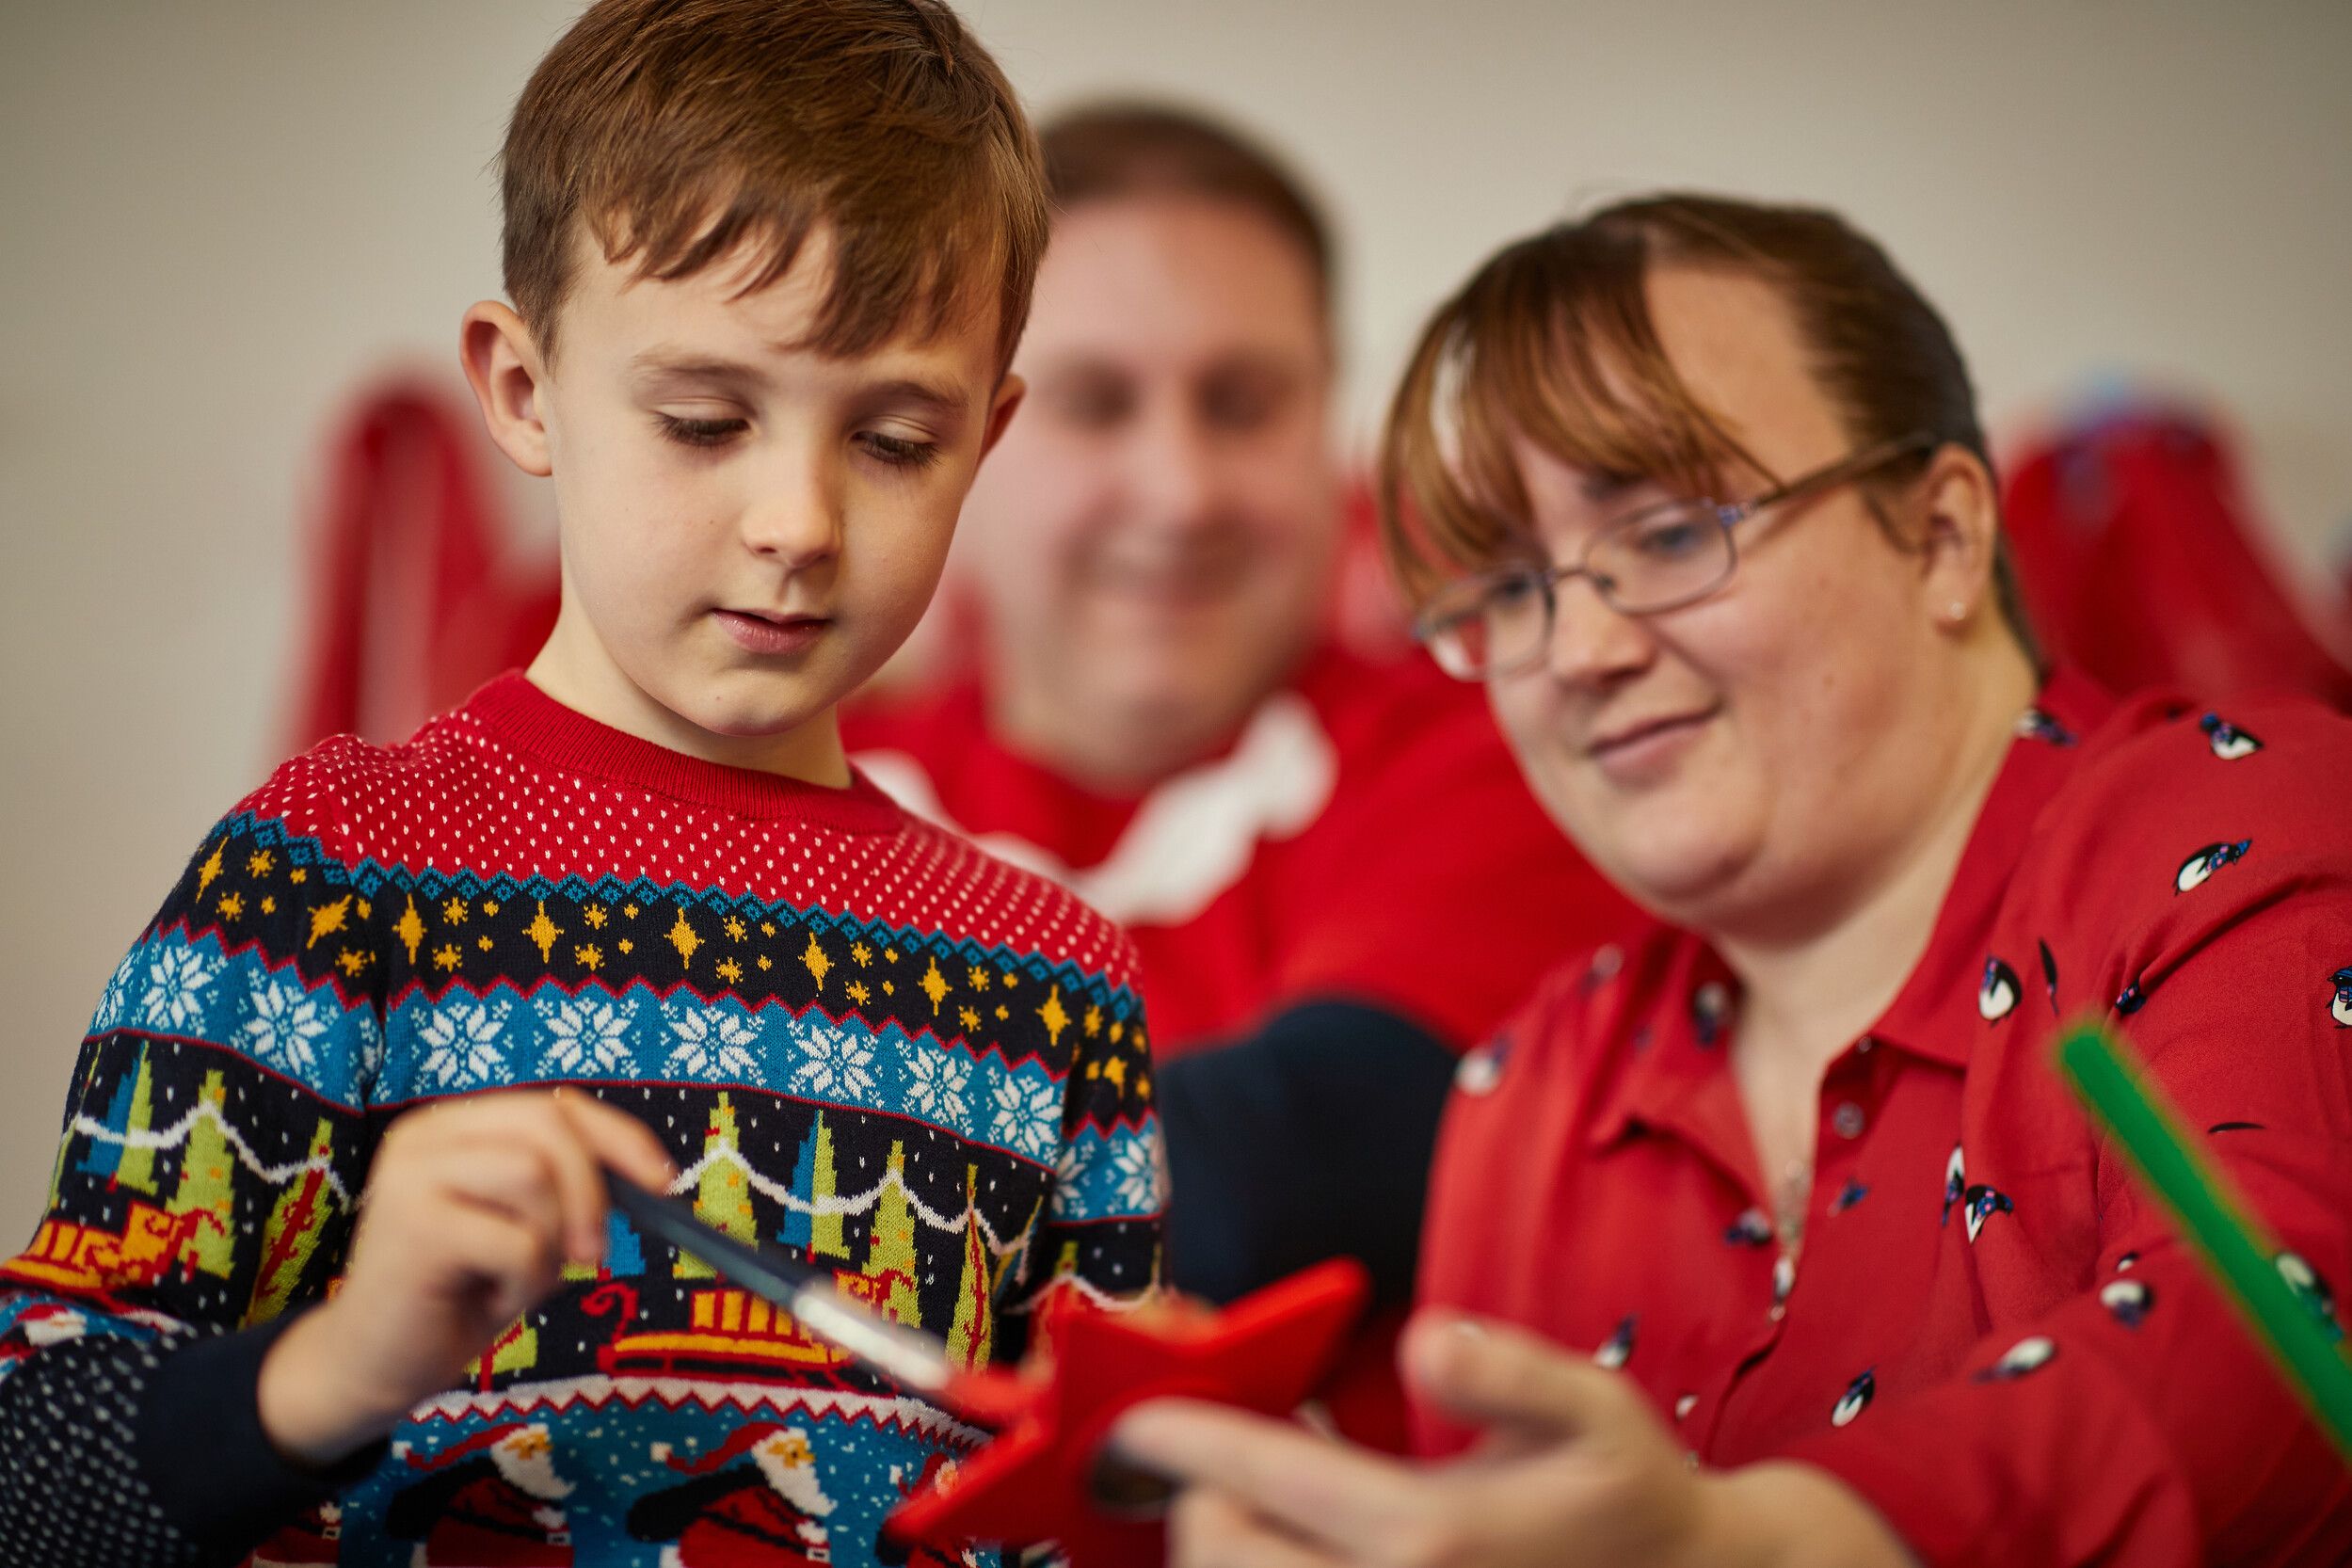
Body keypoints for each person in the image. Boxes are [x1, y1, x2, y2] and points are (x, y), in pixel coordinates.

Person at [0, 3, 1160, 1562]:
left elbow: (1090, 1517)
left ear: (986, 436)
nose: (797, 522)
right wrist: (338, 1369)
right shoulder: (331, 870)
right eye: (703, 422)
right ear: (524, 389)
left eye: (893, 440)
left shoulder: (1056, 979)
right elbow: (30, 1468)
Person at [1112, 194, 2352, 1565]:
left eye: (1666, 533)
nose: (1577, 651)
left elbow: (2280, 1336)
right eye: (1511, 591)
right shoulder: (1537, 1091)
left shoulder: (2242, 831)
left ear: (1940, 534)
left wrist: (1747, 1541)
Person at [843, 104, 1638, 1315]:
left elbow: (1283, 1167)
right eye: (1095, 403)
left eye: (1243, 403)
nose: (1180, 492)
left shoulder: (1505, 745)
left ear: (1331, 427)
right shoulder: (773, 789)